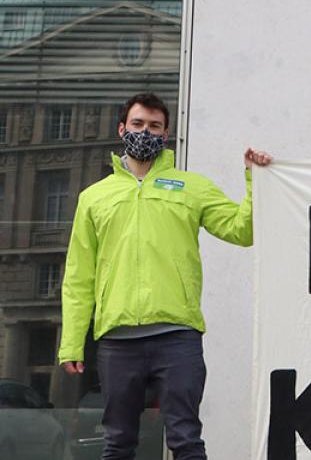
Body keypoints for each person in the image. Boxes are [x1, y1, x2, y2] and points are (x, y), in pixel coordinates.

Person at [57, 92, 272, 460]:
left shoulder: (192, 186)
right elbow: (79, 275)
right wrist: (72, 342)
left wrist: (255, 180)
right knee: (118, 443)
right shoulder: (94, 197)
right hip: (117, 339)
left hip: (176, 336)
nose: (146, 132)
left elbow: (242, 230)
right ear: (122, 129)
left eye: (155, 126)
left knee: (186, 440)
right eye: (138, 124)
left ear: (166, 134)